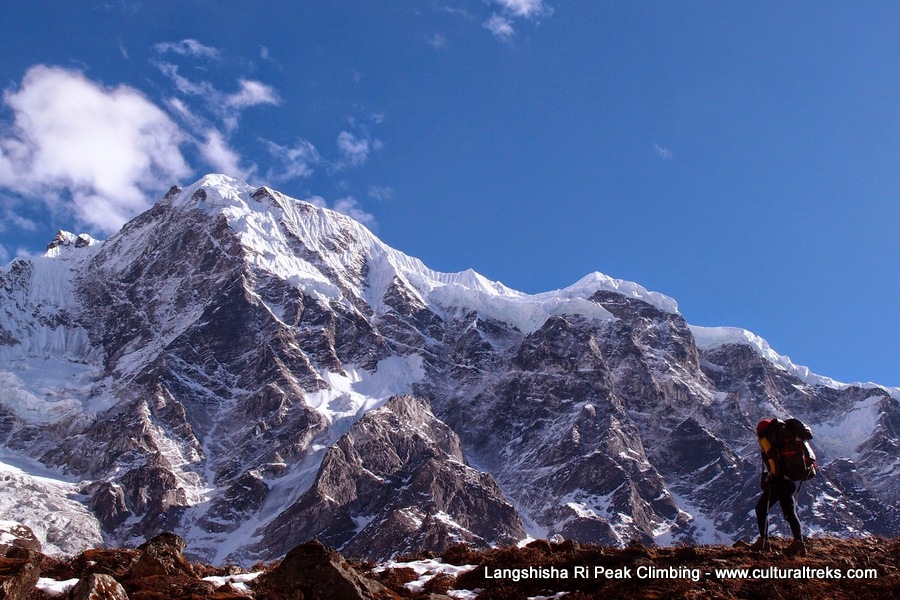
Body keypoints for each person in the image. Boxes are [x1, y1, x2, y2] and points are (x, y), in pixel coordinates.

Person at [750, 418, 806, 556]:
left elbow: (773, 461)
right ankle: (799, 542)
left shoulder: (767, 441)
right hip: (789, 481)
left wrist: (772, 477)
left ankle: (764, 542)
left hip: (779, 481)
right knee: (790, 513)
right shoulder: (782, 439)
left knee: (761, 508)